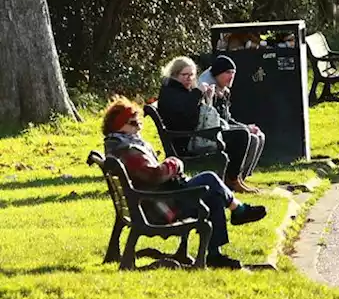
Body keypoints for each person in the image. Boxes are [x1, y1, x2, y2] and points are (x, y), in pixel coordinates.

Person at [102, 98, 267, 269]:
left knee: (213, 195)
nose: (138, 127)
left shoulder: (120, 146)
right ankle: (238, 212)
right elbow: (154, 175)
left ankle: (215, 254)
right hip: (160, 209)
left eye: (139, 122)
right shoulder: (128, 150)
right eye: (133, 123)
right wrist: (174, 163)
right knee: (209, 179)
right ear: (118, 125)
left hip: (156, 201)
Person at [199, 56, 266, 194]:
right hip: (210, 134)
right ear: (217, 74)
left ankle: (240, 177)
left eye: (233, 73)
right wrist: (245, 129)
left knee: (258, 135)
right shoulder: (211, 91)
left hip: (223, 128)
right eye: (227, 73)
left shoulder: (224, 90)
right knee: (246, 136)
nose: (231, 77)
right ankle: (232, 179)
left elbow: (228, 118)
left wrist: (246, 126)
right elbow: (215, 121)